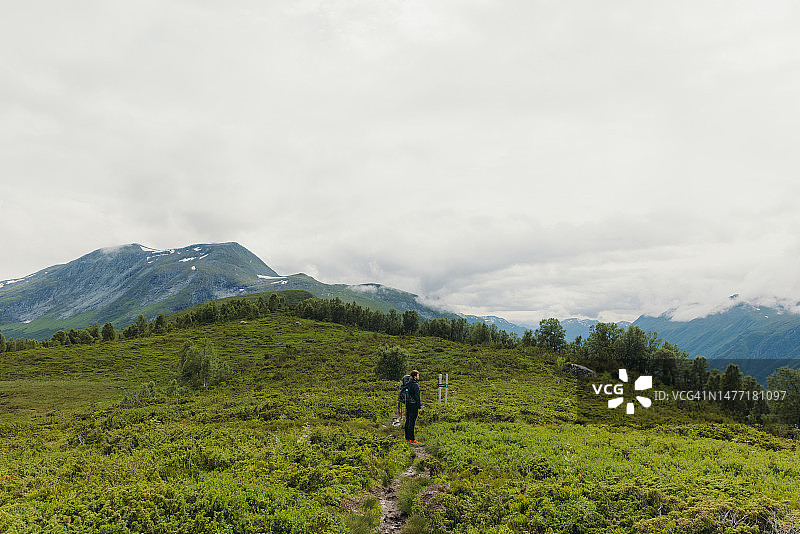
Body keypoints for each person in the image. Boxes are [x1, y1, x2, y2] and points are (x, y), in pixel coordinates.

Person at [404, 370, 423, 443]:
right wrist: (419, 407)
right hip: (414, 405)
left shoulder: (407, 383)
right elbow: (417, 397)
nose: (418, 377)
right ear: (415, 377)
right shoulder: (415, 385)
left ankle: (407, 438)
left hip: (408, 404)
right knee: (412, 422)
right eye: (418, 375)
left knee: (407, 420)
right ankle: (412, 439)